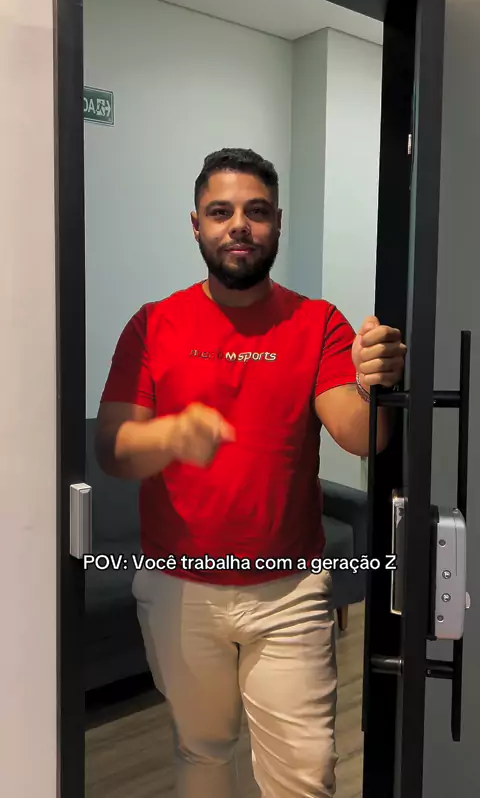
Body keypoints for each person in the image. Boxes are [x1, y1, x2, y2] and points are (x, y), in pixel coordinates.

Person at [95, 147, 406, 798]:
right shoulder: (153, 324)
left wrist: (372, 383)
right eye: (221, 212)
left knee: (305, 775)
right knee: (202, 753)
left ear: (278, 223)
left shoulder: (317, 322)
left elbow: (360, 435)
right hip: (179, 587)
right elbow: (113, 448)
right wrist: (172, 435)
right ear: (196, 226)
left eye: (256, 211)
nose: (239, 224)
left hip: (290, 593)